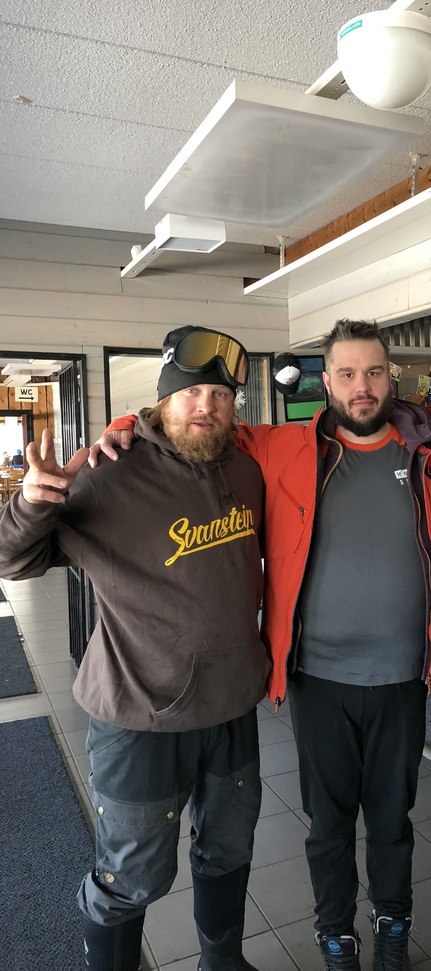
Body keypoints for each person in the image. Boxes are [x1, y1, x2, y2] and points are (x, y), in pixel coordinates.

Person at [93, 319, 431, 971]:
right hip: (317, 677)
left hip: (401, 675)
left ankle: (392, 927)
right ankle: (335, 934)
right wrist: (128, 426)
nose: (361, 386)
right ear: (327, 382)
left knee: (393, 821)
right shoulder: (281, 445)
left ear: (389, 376)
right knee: (329, 825)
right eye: (346, 373)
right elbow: (192, 427)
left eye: (373, 372)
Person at [0, 326, 270, 971]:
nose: (206, 406)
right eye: (191, 393)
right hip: (139, 715)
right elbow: (13, 560)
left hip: (232, 706)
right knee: (133, 877)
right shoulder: (108, 474)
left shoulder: (246, 466)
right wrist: (31, 502)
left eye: (220, 394)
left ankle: (222, 964)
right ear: (163, 398)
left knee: (228, 851)